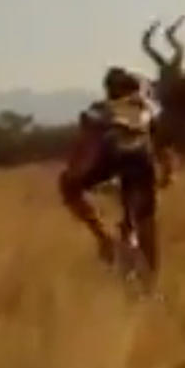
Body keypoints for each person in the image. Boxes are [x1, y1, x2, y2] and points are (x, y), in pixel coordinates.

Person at [58, 66, 174, 275]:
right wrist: (168, 169)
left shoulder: (100, 110)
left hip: (112, 161)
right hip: (137, 162)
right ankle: (149, 281)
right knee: (145, 220)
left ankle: (105, 239)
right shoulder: (145, 108)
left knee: (69, 185)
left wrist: (75, 172)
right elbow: (160, 142)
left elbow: (86, 142)